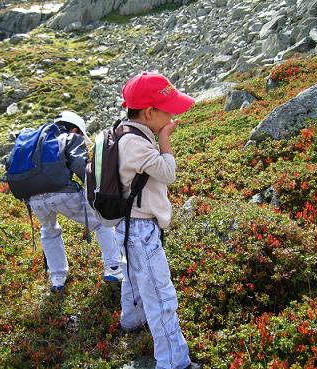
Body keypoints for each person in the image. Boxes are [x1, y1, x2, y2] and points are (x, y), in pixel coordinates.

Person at [115, 72, 196, 369]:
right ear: (149, 113)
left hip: (128, 226)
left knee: (135, 276)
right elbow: (167, 173)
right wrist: (164, 140)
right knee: (162, 300)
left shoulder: (125, 132)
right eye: (168, 110)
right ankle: (174, 362)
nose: (173, 115)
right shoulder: (137, 144)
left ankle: (131, 319)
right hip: (140, 228)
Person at [28, 111, 123, 292]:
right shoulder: (69, 136)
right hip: (62, 194)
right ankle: (113, 267)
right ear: (74, 129)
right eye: (80, 134)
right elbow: (81, 166)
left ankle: (57, 278)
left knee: (49, 231)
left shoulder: (35, 140)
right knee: (101, 223)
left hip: (34, 199)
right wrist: (96, 191)